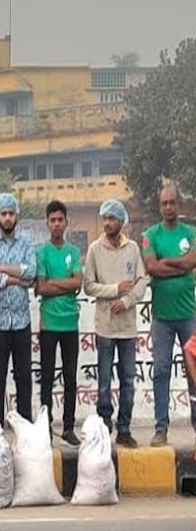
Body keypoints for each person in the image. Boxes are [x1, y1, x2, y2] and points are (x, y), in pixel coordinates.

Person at [82, 200, 147, 448]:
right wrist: (114, 290)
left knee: (128, 380)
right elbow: (88, 285)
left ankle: (125, 428)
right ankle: (104, 427)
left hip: (128, 327)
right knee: (104, 380)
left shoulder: (132, 249)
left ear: (122, 221)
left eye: (112, 218)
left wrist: (128, 300)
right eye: (104, 218)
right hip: (106, 326)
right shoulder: (95, 249)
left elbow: (142, 281)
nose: (107, 222)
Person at [142, 185, 196, 447]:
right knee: (161, 371)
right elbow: (151, 267)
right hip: (162, 317)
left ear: (179, 203)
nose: (168, 207)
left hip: (189, 315)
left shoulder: (191, 233)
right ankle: (161, 428)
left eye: (172, 202)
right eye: (164, 203)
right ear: (159, 206)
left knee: (194, 373)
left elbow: (192, 263)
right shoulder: (150, 234)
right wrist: (181, 264)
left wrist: (172, 262)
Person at [0, 192, 36, 426]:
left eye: (11, 213)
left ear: (17, 216)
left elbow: (32, 272)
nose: (7, 218)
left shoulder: (26, 242)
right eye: (3, 214)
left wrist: (5, 268)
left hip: (22, 321)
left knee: (24, 377)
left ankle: (24, 425)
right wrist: (15, 277)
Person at [35, 201, 83, 446]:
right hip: (49, 324)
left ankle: (68, 427)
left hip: (70, 324)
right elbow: (41, 286)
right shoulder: (41, 252)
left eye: (60, 220)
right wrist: (65, 284)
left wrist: (56, 284)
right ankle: (45, 427)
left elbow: (78, 283)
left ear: (66, 222)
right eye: (52, 220)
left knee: (70, 377)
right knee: (47, 377)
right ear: (47, 223)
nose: (56, 224)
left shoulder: (73, 252)